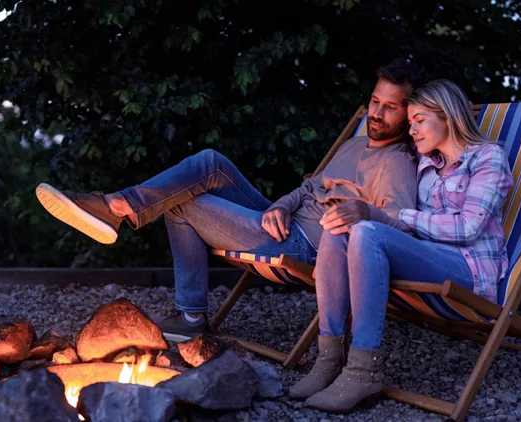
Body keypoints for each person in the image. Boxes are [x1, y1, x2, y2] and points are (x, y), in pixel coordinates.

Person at [35, 59, 428, 341]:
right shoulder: (357, 142)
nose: (376, 113)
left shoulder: (397, 164)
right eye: (375, 101)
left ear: (409, 114)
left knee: (180, 203)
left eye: (390, 107)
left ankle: (186, 308)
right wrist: (280, 205)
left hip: (307, 246)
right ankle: (119, 207)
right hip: (281, 221)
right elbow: (310, 187)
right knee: (210, 162)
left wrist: (357, 214)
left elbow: (393, 226)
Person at [288, 79, 514, 412]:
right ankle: (329, 357)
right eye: (410, 124)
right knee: (342, 228)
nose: (412, 131)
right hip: (427, 258)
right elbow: (398, 220)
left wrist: (389, 217)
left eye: (419, 121)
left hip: (467, 270)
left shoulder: (487, 158)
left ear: (448, 117)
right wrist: (367, 213)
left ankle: (364, 369)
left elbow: (469, 226)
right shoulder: (424, 167)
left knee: (366, 231)